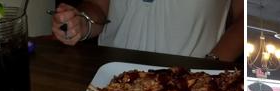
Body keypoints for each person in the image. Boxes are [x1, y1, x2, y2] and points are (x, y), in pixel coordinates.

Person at [51, 0, 243, 62]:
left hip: (192, 83)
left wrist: (214, 65)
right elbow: (98, 7)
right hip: (113, 79)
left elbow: (246, 17)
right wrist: (81, 23)